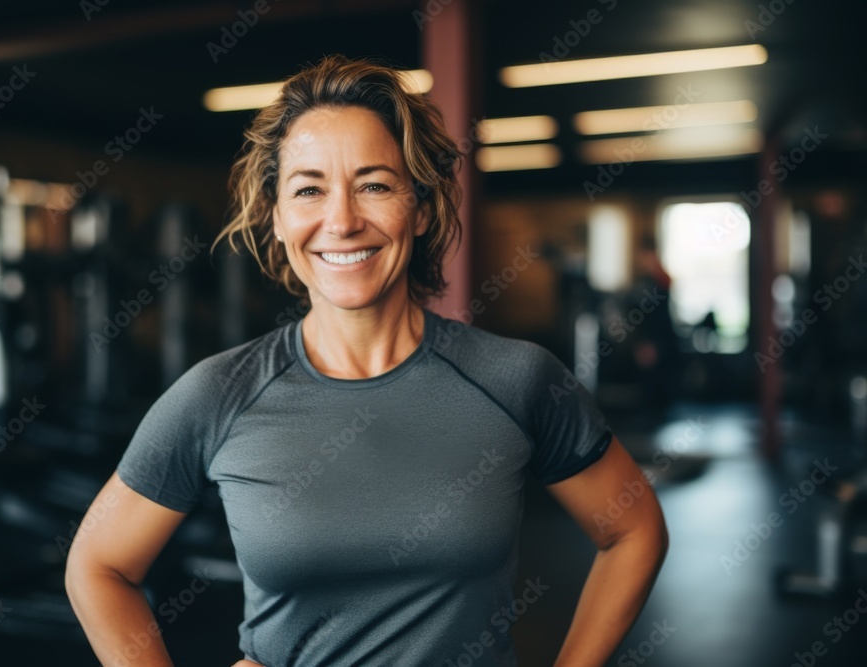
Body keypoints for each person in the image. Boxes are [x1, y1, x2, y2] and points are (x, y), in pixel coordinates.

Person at [65, 54, 669, 667]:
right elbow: (98, 563)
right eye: (308, 190)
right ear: (277, 219)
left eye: (374, 185)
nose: (343, 221)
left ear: (422, 208)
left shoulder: (515, 379)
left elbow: (634, 529)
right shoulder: (218, 394)